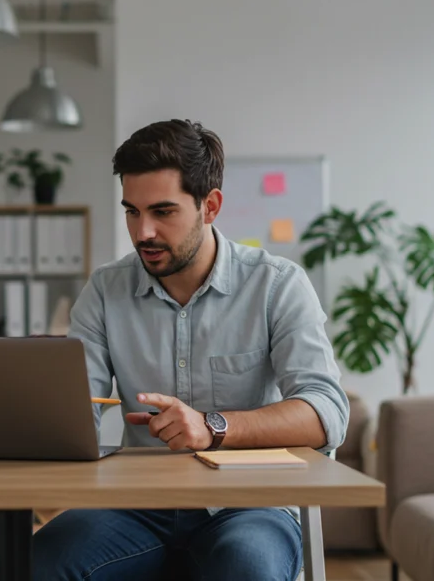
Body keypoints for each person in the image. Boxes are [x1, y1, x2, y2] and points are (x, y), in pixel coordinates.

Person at [32, 119, 350, 581]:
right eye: (132, 212)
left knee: (246, 568)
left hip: (251, 505)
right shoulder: (105, 289)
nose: (143, 232)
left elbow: (327, 414)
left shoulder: (276, 284)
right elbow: (78, 413)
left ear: (211, 205)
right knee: (40, 562)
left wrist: (212, 427)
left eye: (163, 212)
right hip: (137, 507)